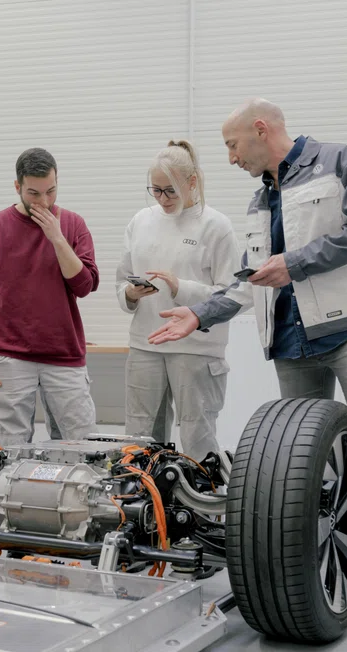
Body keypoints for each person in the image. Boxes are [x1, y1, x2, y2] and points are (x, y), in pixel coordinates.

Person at [148, 98, 347, 637]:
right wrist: (200, 313)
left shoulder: (340, 162)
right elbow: (252, 278)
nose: (228, 158)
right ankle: (303, 577)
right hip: (293, 341)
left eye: (232, 145)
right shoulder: (259, 201)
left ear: (260, 130)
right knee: (304, 468)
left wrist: (295, 263)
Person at [0, 147, 99, 446]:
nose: (44, 202)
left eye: (51, 191)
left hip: (64, 356)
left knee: (82, 446)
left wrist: (57, 237)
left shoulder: (73, 224)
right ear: (17, 187)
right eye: (34, 194)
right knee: (12, 450)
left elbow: (84, 286)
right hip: (9, 357)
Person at [115, 139, 241, 461]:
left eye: (170, 190)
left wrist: (181, 287)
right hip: (146, 344)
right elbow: (121, 283)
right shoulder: (140, 221)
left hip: (196, 350)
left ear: (192, 182)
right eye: (155, 190)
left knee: (197, 437)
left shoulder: (217, 226)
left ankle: (202, 510)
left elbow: (234, 292)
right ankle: (143, 508)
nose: (162, 199)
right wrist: (130, 293)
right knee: (140, 438)